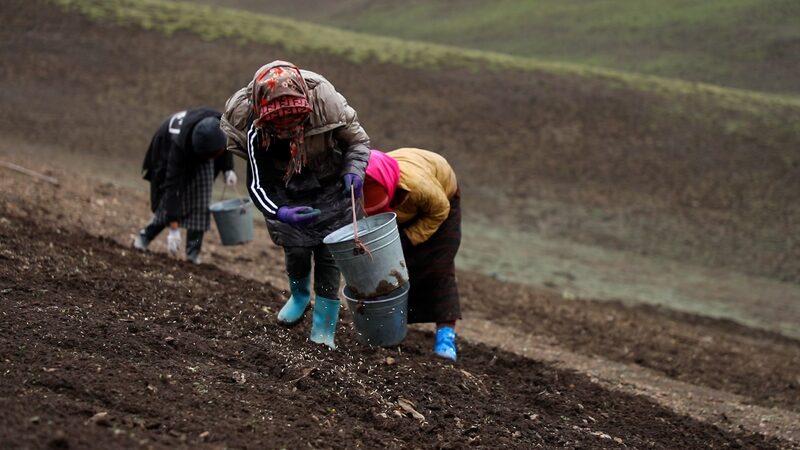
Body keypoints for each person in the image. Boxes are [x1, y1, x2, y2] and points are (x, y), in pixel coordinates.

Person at [221, 61, 370, 349]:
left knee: (329, 253)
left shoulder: (327, 104)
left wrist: (354, 170)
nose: (290, 133)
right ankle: (300, 295)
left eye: (296, 125)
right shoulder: (253, 125)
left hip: (330, 181)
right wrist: (280, 212)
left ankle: (324, 324)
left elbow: (358, 141)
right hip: (285, 187)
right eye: (281, 129)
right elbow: (257, 184)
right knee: (297, 248)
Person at [362, 148, 462, 361]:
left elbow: (440, 211)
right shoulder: (363, 186)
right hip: (397, 214)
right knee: (388, 268)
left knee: (438, 268)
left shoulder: (418, 187)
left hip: (441, 206)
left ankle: (446, 337)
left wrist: (408, 238)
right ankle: (386, 329)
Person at [135, 108, 237, 264]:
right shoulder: (178, 149)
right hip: (166, 152)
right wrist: (173, 229)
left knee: (202, 201)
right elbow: (173, 187)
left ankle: (193, 253)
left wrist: (228, 168)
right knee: (169, 202)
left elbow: (223, 142)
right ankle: (145, 236)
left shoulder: (217, 123)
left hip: (198, 146)